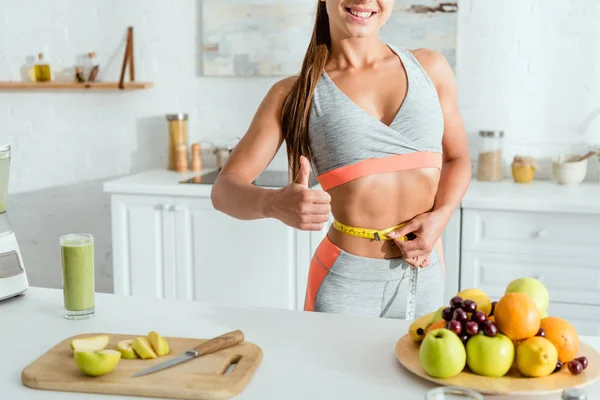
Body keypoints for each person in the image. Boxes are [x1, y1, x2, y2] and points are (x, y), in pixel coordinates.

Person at [211, 0, 471, 319]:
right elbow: (224, 191)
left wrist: (441, 216)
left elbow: (457, 159)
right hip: (345, 285)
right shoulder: (295, 93)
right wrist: (272, 203)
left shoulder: (431, 68)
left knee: (416, 369)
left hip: (425, 273)